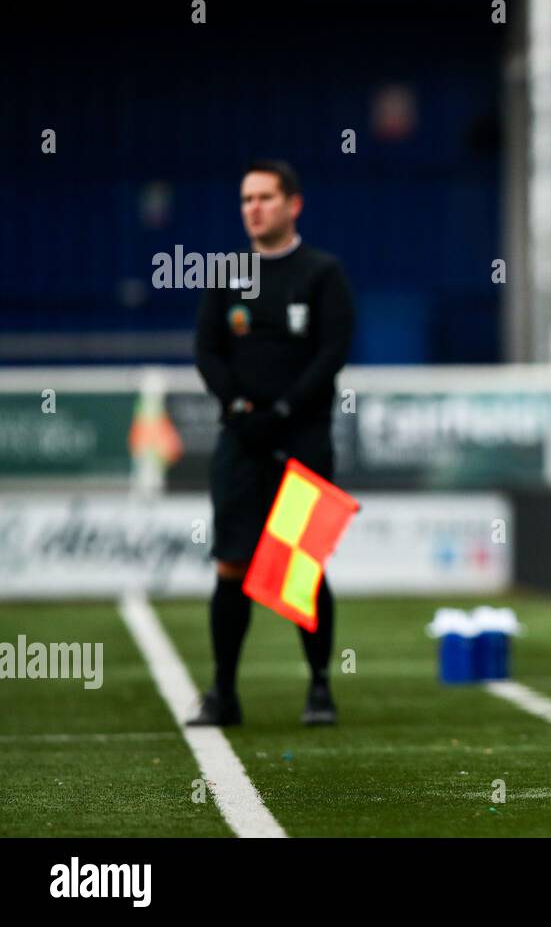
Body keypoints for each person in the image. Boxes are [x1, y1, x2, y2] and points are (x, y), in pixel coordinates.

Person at [189, 159, 355, 727]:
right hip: (240, 439)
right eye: (246, 199)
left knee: (299, 567)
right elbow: (207, 351)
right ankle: (223, 693)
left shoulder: (321, 273)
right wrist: (237, 406)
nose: (253, 208)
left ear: (293, 204)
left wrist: (284, 410)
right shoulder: (226, 273)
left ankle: (319, 688)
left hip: (302, 438)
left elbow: (332, 352)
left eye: (264, 197)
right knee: (231, 564)